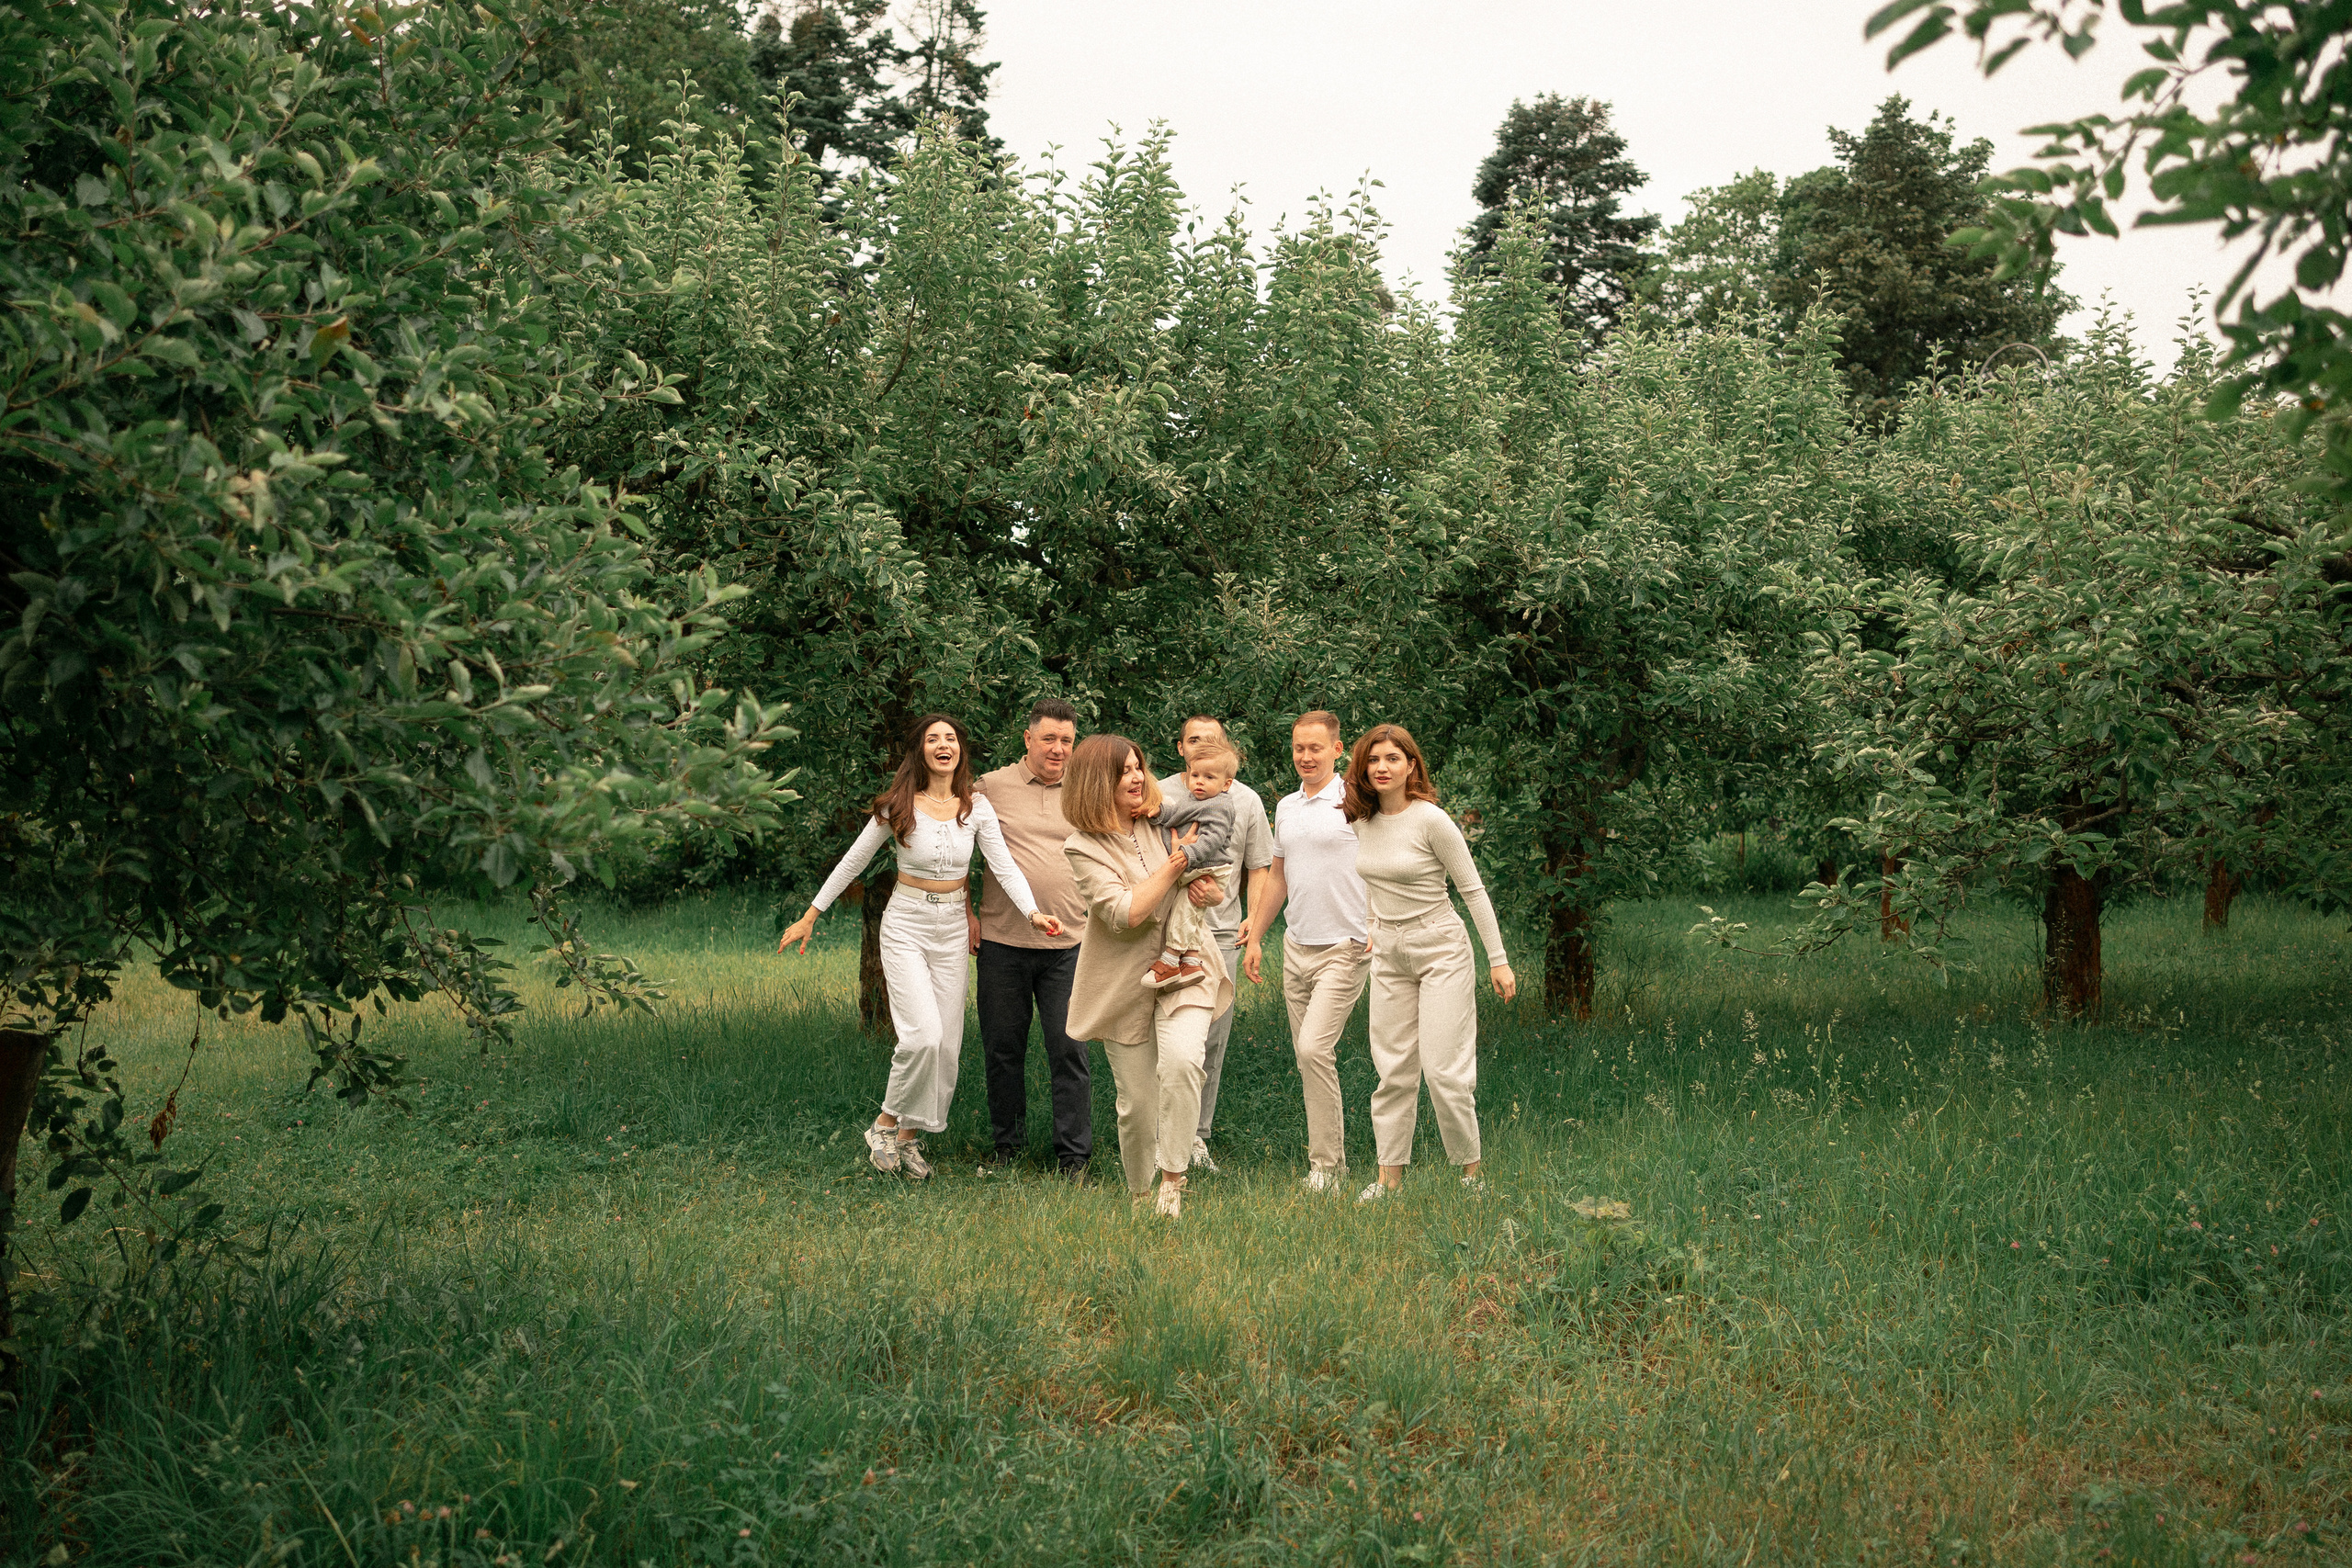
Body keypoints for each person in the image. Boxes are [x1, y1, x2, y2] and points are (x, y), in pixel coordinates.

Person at [776, 714, 1063, 1179]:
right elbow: (854, 861)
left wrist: (1032, 912)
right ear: (921, 751)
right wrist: (812, 914)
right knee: (922, 1036)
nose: (943, 745)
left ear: (960, 750)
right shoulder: (898, 805)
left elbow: (1004, 866)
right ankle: (884, 1124)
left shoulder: (976, 807)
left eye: (950, 738)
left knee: (946, 1047)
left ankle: (908, 1139)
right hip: (906, 924)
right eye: (933, 739)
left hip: (951, 929)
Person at [1342, 724, 1517, 1202]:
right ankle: (1388, 1181)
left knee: (1443, 1070)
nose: (1382, 767)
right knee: (1393, 1070)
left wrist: (1498, 961)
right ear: (1362, 767)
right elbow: (1373, 881)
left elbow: (1472, 890)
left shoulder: (1432, 821)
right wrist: (1374, 926)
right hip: (1390, 954)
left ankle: (1471, 1175)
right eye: (1373, 759)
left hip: (1440, 947)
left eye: (1392, 759)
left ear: (1411, 766)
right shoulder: (1362, 821)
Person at [1061, 735, 1229, 1219]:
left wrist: (1209, 891)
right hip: (1123, 980)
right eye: (1124, 772)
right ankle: (1140, 1195)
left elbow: (1210, 879)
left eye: (1139, 767)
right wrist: (1179, 861)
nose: (1137, 777)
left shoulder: (1162, 819)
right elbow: (1126, 912)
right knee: (1137, 1103)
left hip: (1187, 966)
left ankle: (1172, 1184)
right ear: (1097, 783)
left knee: (1182, 1064)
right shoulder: (1082, 847)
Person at [1238, 710, 1369, 1192]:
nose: (1306, 757)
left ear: (1337, 749)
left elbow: (1384, 862)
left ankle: (1326, 1169)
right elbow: (1278, 876)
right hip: (1297, 947)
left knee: (1314, 1048)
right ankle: (1330, 1167)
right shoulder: (1287, 806)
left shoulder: (1356, 801)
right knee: (1308, 1056)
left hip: (1345, 946)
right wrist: (1257, 937)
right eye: (1299, 748)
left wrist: (1376, 923)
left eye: (1316, 748)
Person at [972, 699, 1092, 1179]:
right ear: (1028, 739)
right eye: (1049, 739)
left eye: (1066, 740)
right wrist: (966, 911)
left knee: (1070, 1050)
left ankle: (1074, 1158)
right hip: (1002, 942)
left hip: (1071, 944)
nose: (1058, 749)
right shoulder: (990, 787)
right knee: (1003, 1051)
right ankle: (1008, 1149)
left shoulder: (1085, 788)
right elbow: (953, 849)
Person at [1157, 717, 1274, 1173]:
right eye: (1193, 740)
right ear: (1180, 748)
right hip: (1160, 931)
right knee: (1161, 1040)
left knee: (1209, 1041)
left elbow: (1259, 865)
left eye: (1212, 741)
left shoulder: (1245, 799)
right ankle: (1159, 1136)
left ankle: (1196, 1137)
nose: (1201, 747)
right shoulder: (1160, 792)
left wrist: (1254, 922)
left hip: (1221, 935)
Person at [1139, 740, 1239, 991]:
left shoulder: (1220, 805)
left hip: (1208, 867)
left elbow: (1213, 838)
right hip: (1197, 865)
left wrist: (1189, 853)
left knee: (1184, 910)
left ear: (1226, 784)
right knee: (1192, 911)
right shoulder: (1192, 799)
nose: (1199, 782)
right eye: (1195, 775)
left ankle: (1171, 958)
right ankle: (1192, 962)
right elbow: (1176, 816)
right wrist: (1159, 812)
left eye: (1209, 777)